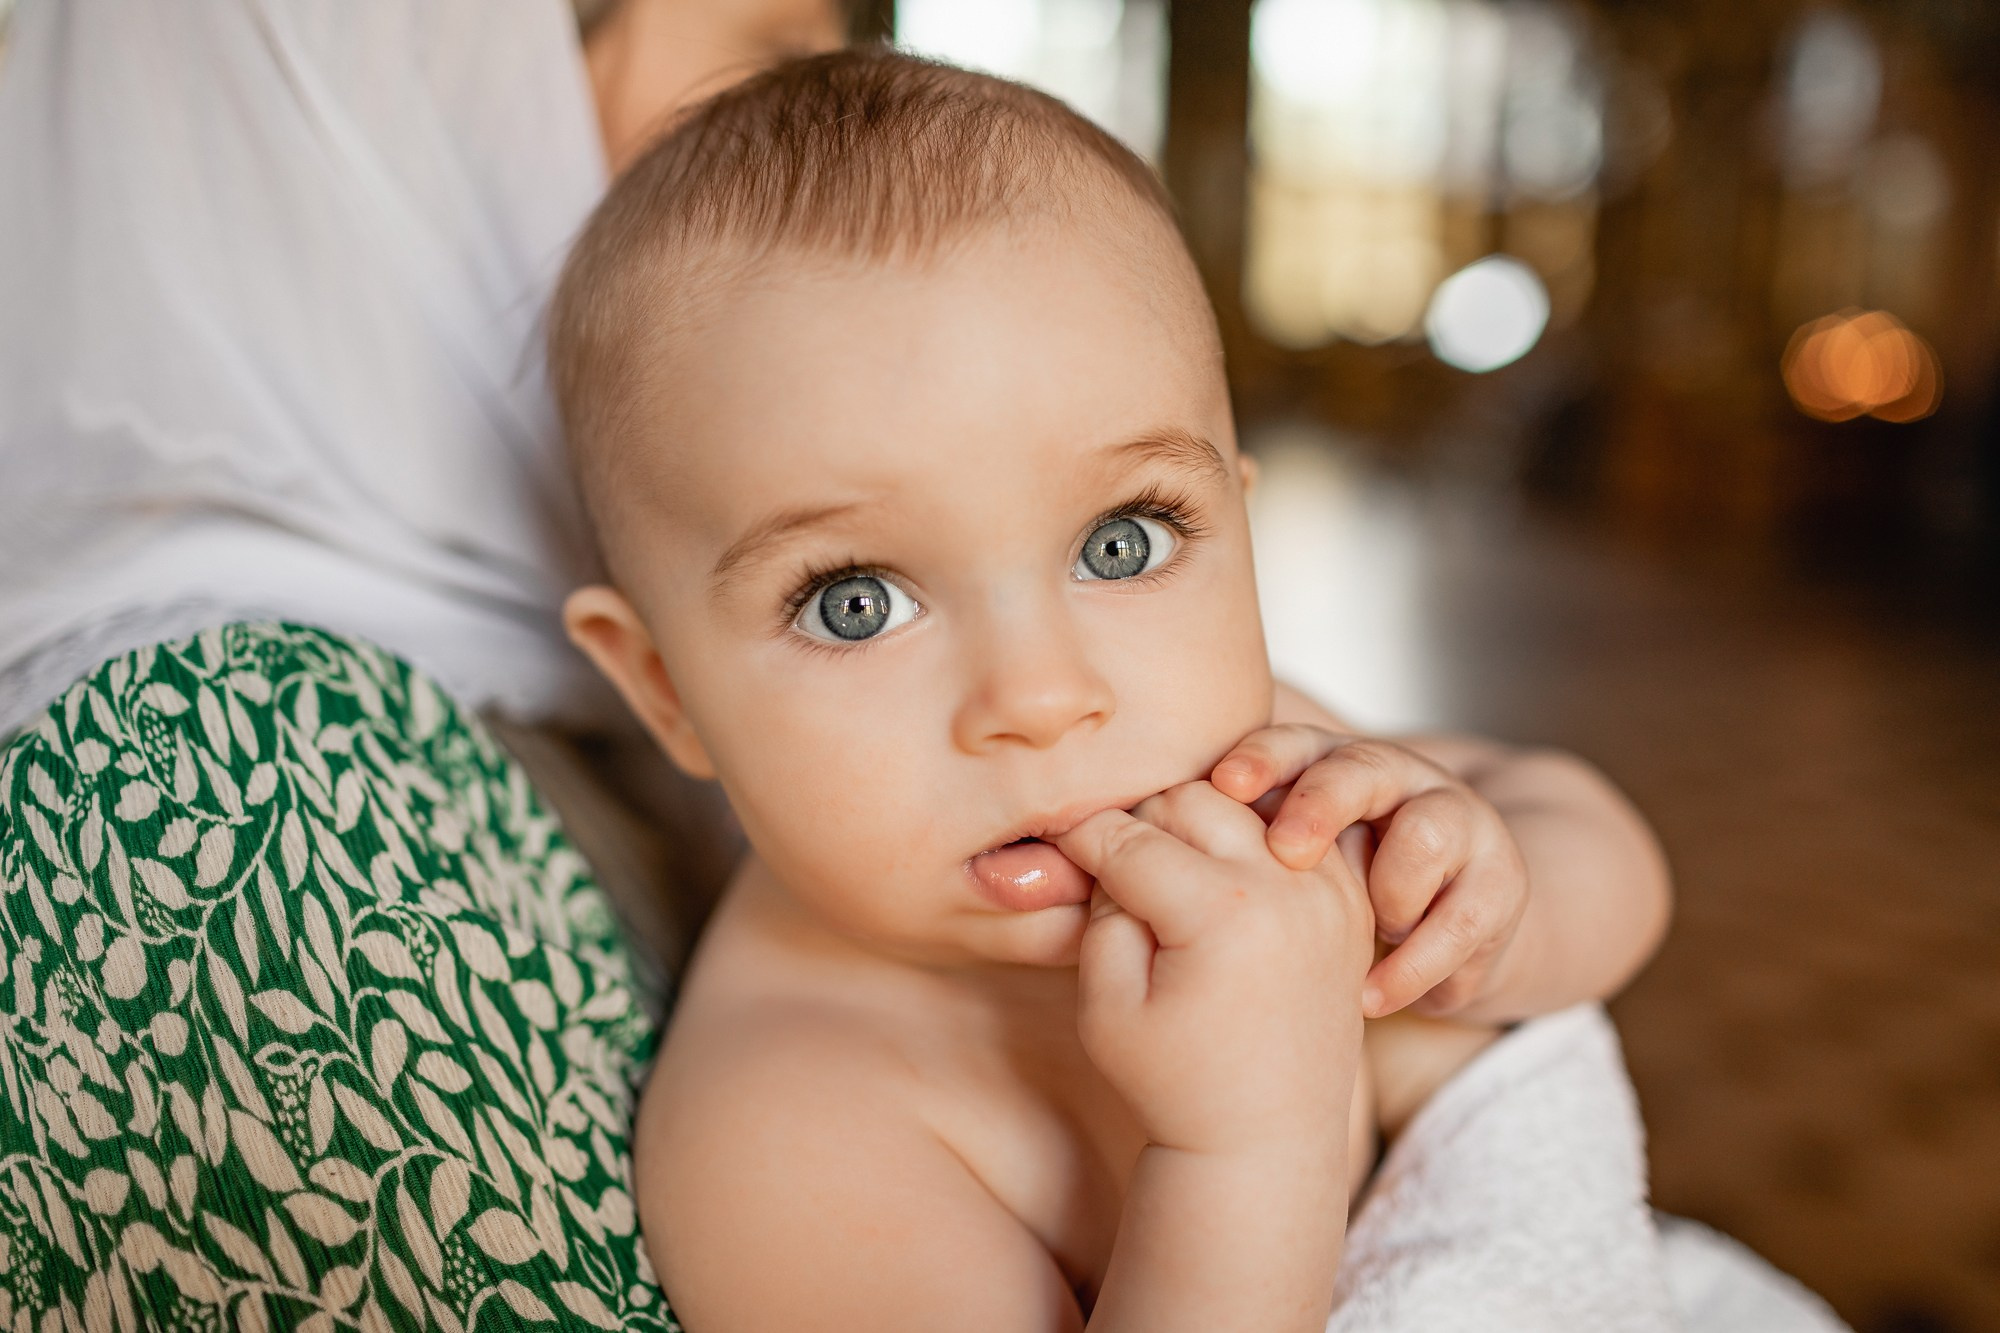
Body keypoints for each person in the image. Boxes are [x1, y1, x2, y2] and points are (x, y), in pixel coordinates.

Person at [547, 48, 1690, 1330]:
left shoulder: (1263, 765)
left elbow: (1599, 845)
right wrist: (1250, 1140)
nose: (1041, 698)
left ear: (1236, 530)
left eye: (1121, 543)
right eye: (853, 601)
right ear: (665, 693)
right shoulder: (789, 1132)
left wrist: (1489, 913)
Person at [0, 2, 844, 1328]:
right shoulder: (227, 799)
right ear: (427, 93)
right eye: (785, 55)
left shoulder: (568, 688)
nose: (840, 144)